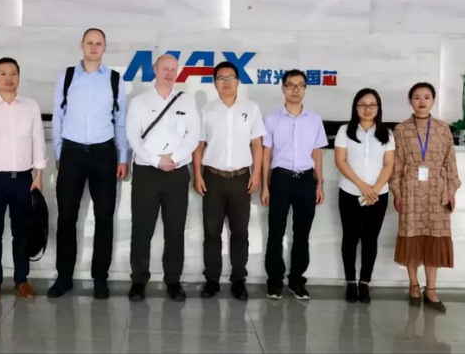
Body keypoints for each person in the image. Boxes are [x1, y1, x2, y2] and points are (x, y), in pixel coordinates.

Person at [48, 28, 128, 300]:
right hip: (71, 153)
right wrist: (59, 153)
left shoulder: (115, 80)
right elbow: (58, 117)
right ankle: (64, 277)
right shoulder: (67, 76)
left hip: (104, 154)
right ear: (82, 45)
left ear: (105, 47)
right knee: (66, 217)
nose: (94, 47)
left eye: (99, 43)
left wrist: (123, 157)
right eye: (90, 42)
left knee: (104, 218)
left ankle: (100, 278)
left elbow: (121, 122)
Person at [0, 57, 47, 302]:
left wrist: (39, 174)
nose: (9, 78)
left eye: (13, 73)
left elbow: (38, 140)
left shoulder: (30, 106)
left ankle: (21, 280)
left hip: (24, 179)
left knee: (21, 232)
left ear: (18, 76)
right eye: (3, 74)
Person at [126, 54, 200, 302]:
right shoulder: (139, 101)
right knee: (142, 229)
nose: (169, 73)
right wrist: (156, 160)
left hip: (177, 173)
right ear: (155, 70)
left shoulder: (187, 101)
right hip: (146, 171)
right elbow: (133, 137)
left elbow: (193, 135)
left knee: (175, 229)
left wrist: (174, 158)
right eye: (164, 68)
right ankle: (138, 280)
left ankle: (173, 281)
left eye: (173, 69)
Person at [192, 62, 265, 301]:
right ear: (215, 83)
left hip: (241, 179)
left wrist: (256, 174)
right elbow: (199, 145)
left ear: (238, 81)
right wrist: (198, 175)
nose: (226, 82)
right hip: (212, 178)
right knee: (212, 232)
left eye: (230, 77)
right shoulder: (207, 110)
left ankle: (238, 280)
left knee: (240, 232)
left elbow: (257, 144)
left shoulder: (251, 108)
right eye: (221, 78)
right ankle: (212, 279)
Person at [390, 82, 460, 313]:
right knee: (412, 237)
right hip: (410, 190)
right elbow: (395, 165)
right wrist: (397, 191)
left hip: (437, 191)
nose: (422, 102)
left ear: (433, 100)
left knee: (433, 239)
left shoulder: (442, 128)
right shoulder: (400, 130)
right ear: (410, 101)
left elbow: (450, 162)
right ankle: (413, 285)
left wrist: (451, 190)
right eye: (417, 97)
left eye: (427, 97)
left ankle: (431, 289)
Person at [261, 69, 328, 300]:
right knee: (276, 232)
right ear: (283, 89)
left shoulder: (314, 119)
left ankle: (297, 280)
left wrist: (319, 184)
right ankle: (274, 281)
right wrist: (265, 186)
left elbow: (317, 153)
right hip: (281, 179)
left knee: (302, 233)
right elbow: (266, 154)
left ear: (305, 89)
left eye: (300, 85)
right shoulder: (272, 119)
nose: (295, 90)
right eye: (290, 85)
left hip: (306, 180)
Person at [334, 88, 395, 303]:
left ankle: (365, 282)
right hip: (350, 192)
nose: (367, 109)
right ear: (355, 107)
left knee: (370, 239)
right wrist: (363, 186)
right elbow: (340, 161)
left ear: (378, 108)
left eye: (372, 105)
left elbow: (389, 164)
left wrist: (375, 188)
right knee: (350, 238)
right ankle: (351, 282)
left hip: (378, 195)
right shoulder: (345, 131)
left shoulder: (387, 134)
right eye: (362, 105)